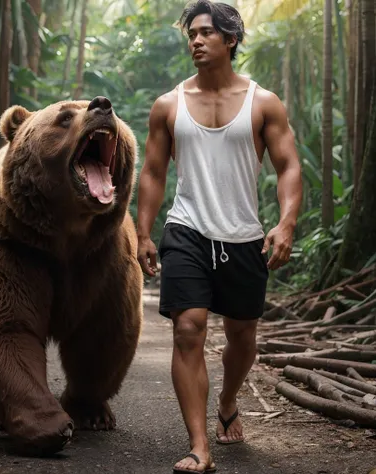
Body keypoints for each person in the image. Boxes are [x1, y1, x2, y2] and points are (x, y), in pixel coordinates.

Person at [136, 1, 303, 473]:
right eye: (192, 33)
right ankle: (199, 446)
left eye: (207, 32)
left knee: (242, 337)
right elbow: (152, 173)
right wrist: (143, 231)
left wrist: (286, 223)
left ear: (230, 40)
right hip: (187, 229)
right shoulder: (168, 105)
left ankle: (228, 398)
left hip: (244, 236)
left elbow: (289, 166)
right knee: (188, 327)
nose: (196, 40)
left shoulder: (263, 102)